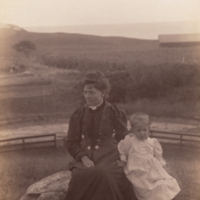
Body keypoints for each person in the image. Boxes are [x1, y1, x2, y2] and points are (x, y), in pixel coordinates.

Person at [64, 71, 137, 200]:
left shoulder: (114, 112)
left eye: (91, 92)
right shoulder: (78, 114)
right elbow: (71, 142)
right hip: (85, 158)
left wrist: (123, 158)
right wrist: (83, 157)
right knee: (81, 175)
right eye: (85, 92)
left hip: (110, 156)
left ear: (102, 93)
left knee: (104, 174)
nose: (87, 96)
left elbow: (123, 137)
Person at [118, 112, 181, 200]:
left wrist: (164, 166)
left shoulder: (152, 142)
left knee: (163, 183)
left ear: (149, 129)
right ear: (132, 130)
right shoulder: (129, 141)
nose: (142, 133)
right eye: (138, 130)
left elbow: (159, 157)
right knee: (145, 185)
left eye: (145, 130)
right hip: (136, 169)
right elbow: (123, 151)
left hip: (152, 168)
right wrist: (123, 161)